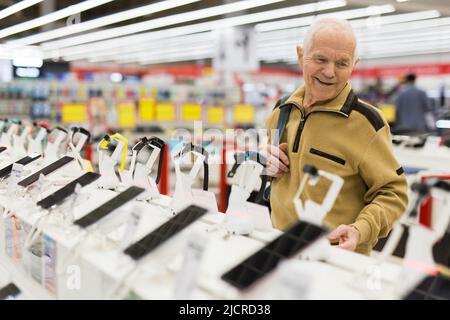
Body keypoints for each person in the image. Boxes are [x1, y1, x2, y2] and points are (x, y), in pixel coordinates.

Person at [262, 18, 408, 255]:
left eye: (342, 63)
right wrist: (265, 163)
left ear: (354, 64)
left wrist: (361, 229)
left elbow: (393, 193)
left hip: (336, 257)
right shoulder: (282, 110)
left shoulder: (366, 123)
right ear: (301, 55)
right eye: (320, 59)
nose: (329, 72)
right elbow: (271, 170)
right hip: (279, 246)